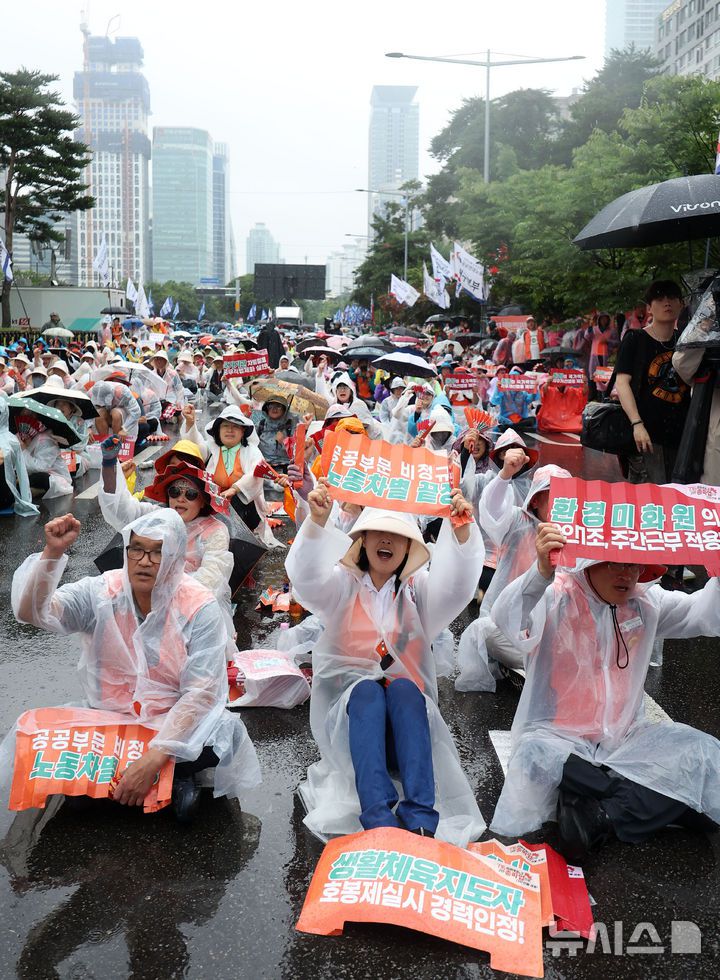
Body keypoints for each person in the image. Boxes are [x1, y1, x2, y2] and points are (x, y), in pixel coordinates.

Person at [488, 522, 720, 861]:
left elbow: (703, 614)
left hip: (625, 741)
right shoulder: (556, 597)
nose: (626, 574)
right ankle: (639, 800)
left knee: (706, 757)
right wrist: (539, 573)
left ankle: (601, 815)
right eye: (615, 561)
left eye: (634, 564)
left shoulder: (646, 604)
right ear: (591, 559)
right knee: (537, 758)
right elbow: (506, 616)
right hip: (558, 740)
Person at [9, 510, 261, 821]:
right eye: (137, 549)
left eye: (158, 552)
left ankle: (166, 776)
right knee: (41, 738)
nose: (144, 560)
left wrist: (156, 757)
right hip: (112, 719)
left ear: (175, 557)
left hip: (172, 723)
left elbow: (201, 693)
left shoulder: (199, 606)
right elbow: (34, 613)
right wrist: (52, 553)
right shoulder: (102, 592)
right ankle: (154, 782)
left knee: (218, 741)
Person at [285, 482, 486, 844]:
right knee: (365, 692)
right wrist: (316, 524)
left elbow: (456, 589)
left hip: (405, 733)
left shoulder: (417, 592)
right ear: (362, 540)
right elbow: (308, 581)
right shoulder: (342, 587)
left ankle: (421, 816)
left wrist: (462, 534)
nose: (387, 541)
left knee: (406, 689)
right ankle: (377, 814)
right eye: (378, 531)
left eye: (398, 535)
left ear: (410, 547)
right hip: (350, 728)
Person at [614, 280, 690, 484]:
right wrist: (637, 424)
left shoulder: (687, 342)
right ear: (649, 308)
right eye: (660, 298)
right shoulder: (635, 339)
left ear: (681, 304)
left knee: (679, 499)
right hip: (646, 435)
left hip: (681, 434)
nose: (667, 303)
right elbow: (622, 384)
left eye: (673, 298)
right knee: (648, 501)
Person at [0, 398, 39, 517]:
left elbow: (22, 473)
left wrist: (25, 499)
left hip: (4, 497)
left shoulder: (10, 440)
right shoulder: (12, 439)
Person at [251, 395, 298, 471]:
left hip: (285, 470)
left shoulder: (291, 426)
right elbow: (251, 445)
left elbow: (297, 452)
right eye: (271, 406)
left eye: (278, 406)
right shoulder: (260, 425)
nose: (274, 409)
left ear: (284, 409)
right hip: (263, 467)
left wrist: (284, 441)